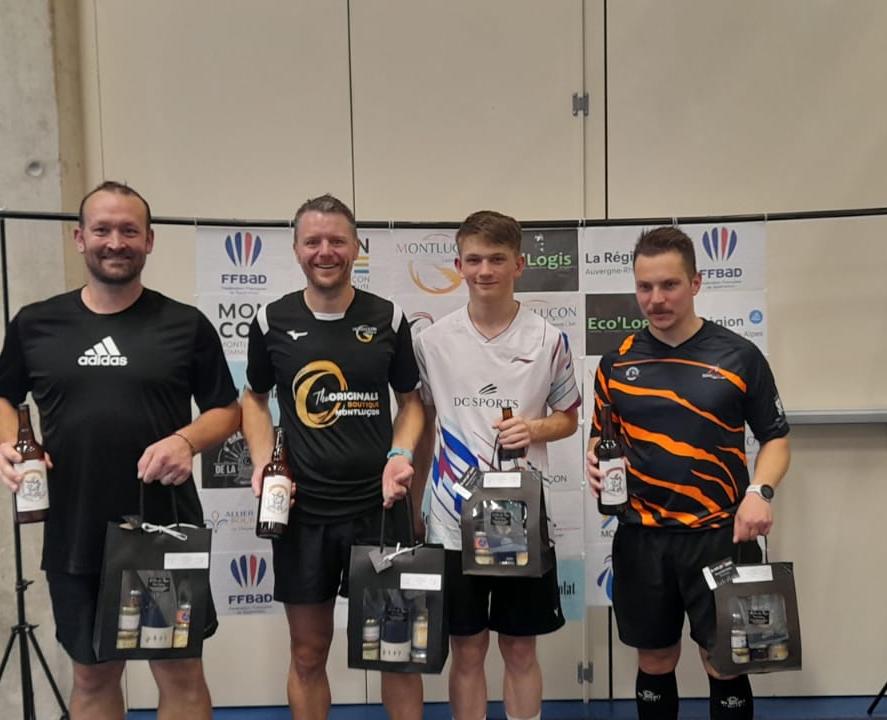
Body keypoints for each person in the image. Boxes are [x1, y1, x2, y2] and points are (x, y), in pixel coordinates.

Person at [0, 181, 240, 720]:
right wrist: (9, 442)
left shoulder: (185, 324)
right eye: (102, 230)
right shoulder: (36, 322)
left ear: (149, 240)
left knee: (179, 671)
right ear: (80, 238)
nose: (115, 242)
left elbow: (226, 409)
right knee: (93, 674)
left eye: (128, 230)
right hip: (75, 527)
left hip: (164, 526)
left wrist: (186, 440)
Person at [584, 226, 790, 720]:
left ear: (696, 283)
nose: (656, 299)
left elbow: (776, 439)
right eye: (645, 287)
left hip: (719, 535)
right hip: (642, 538)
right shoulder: (616, 362)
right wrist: (593, 459)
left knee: (726, 662)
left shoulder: (739, 355)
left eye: (669, 285)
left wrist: (760, 492)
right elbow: (599, 435)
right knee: (654, 659)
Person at [240, 194, 424, 720]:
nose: (326, 251)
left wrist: (399, 454)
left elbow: (411, 404)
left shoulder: (388, 317)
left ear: (356, 246)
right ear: (296, 249)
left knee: (397, 655)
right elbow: (253, 399)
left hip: (379, 509)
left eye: (337, 240)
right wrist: (263, 462)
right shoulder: (271, 319)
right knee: (307, 653)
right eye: (313, 241)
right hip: (304, 513)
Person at [411, 210, 580, 720]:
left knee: (520, 648)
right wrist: (414, 503)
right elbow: (422, 423)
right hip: (451, 520)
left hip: (519, 521)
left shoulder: (548, 339)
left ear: (519, 265)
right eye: (475, 259)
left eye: (498, 259)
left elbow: (568, 418)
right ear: (459, 266)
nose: (485, 270)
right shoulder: (431, 341)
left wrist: (535, 429)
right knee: (466, 650)